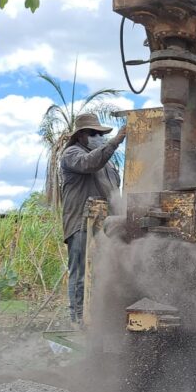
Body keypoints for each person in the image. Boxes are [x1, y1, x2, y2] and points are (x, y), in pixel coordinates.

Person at [60, 113, 127, 325]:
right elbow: (89, 164)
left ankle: (98, 318)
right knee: (81, 273)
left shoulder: (108, 167)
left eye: (101, 133)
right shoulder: (72, 154)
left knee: (103, 272)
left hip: (105, 226)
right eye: (94, 133)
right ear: (81, 136)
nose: (99, 136)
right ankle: (78, 320)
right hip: (81, 223)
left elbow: (115, 194)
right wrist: (116, 141)